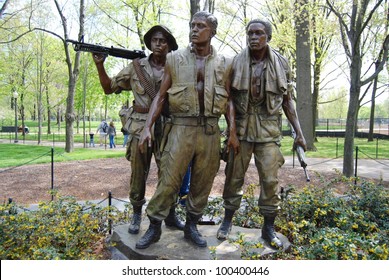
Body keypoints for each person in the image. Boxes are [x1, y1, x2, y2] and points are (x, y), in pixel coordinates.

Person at [136, 11, 239, 249]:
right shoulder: (174, 59)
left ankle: (192, 225)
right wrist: (147, 128)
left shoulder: (225, 62)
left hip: (210, 131)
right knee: (169, 179)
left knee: (203, 181)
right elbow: (160, 97)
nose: (194, 29)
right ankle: (154, 226)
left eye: (200, 26)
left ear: (212, 32)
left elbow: (229, 100)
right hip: (181, 128)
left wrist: (232, 132)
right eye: (192, 25)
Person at [216, 19, 307, 249]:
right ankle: (227, 221)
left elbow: (287, 101)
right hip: (242, 130)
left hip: (268, 131)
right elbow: (228, 100)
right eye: (250, 33)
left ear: (268, 36)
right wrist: (232, 132)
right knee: (233, 176)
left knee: (270, 180)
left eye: (258, 33)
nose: (253, 37)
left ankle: (268, 228)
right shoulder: (235, 62)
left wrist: (299, 132)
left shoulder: (282, 64)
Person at [92, 25, 184, 234]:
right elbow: (108, 88)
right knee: (138, 174)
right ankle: (136, 215)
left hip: (168, 127)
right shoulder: (136, 67)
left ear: (170, 44)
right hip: (139, 127)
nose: (158, 44)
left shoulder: (177, 67)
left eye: (163, 40)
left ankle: (170, 213)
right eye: (154, 40)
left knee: (170, 174)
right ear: (150, 43)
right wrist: (100, 66)